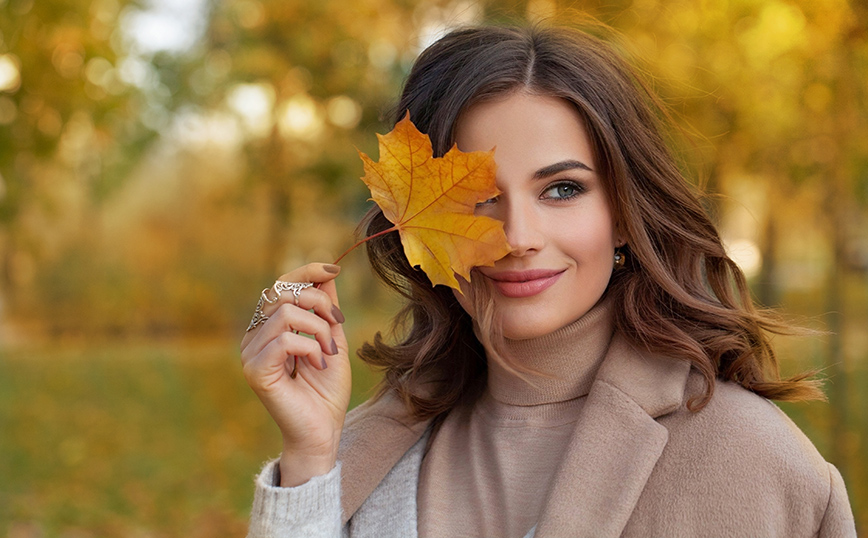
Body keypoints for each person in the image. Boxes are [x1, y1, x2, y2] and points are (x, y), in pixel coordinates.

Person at [239, 24, 857, 538]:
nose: (517, 235)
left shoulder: (754, 463)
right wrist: (309, 465)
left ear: (622, 215)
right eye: (479, 196)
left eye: (563, 189)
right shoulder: (356, 454)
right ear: (410, 225)